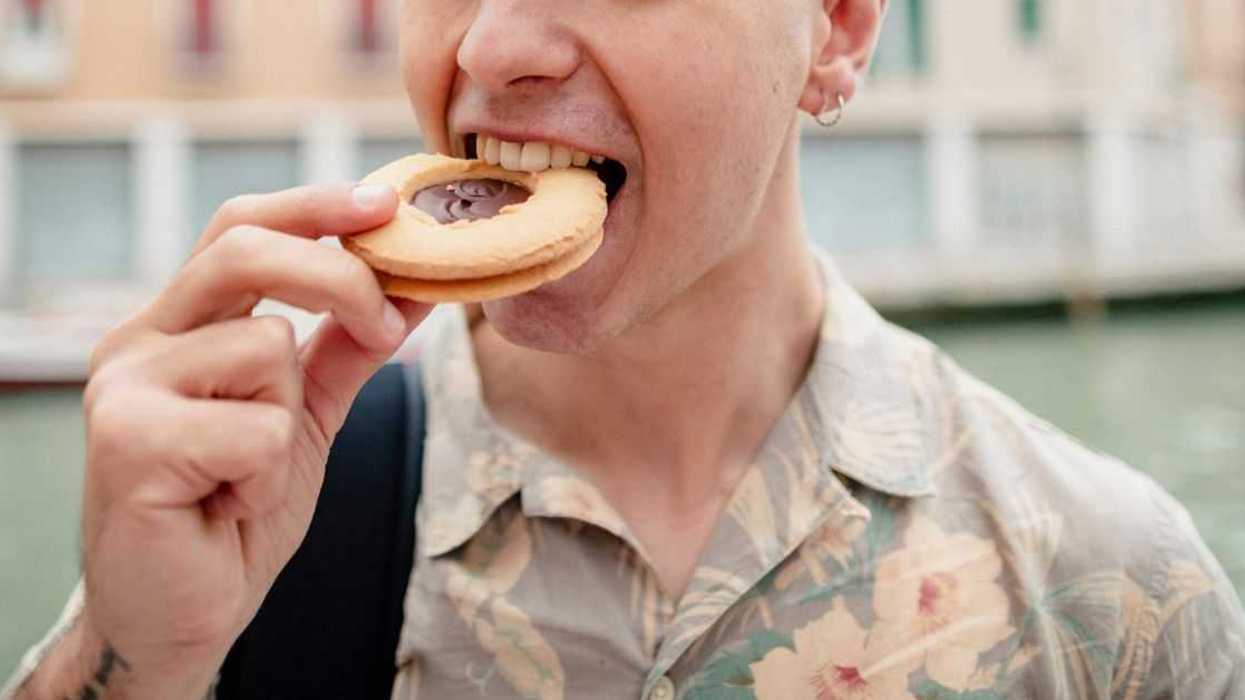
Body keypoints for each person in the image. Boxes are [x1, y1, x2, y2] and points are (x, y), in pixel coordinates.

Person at [6, 0, 1244, 698]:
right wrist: (133, 670)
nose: (490, 46)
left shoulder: (1115, 596)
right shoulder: (259, 524)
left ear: (839, 27)